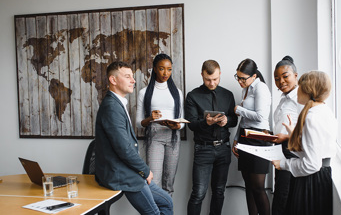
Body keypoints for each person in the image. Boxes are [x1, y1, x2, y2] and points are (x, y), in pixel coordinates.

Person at [95, 61, 173, 215]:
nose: (133, 80)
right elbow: (123, 148)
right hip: (123, 174)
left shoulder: (117, 103)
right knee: (154, 212)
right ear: (113, 80)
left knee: (167, 201)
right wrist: (145, 171)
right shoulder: (111, 107)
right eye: (127, 76)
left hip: (130, 171)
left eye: (132, 76)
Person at [271, 70, 337, 215]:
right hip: (318, 178)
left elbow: (312, 164)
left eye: (299, 87)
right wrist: (293, 134)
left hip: (311, 181)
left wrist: (284, 164)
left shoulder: (313, 117)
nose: (297, 90)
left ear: (308, 90)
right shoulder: (324, 111)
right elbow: (315, 148)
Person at [185, 60, 238, 215]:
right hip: (203, 149)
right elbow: (191, 124)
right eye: (208, 79)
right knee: (198, 193)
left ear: (219, 74)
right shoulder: (193, 96)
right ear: (202, 75)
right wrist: (206, 123)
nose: (212, 82)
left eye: (215, 79)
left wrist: (227, 120)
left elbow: (234, 120)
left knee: (219, 191)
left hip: (224, 148)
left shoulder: (228, 95)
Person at [136, 53, 184, 195]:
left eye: (169, 69)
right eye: (162, 69)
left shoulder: (178, 93)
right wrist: (150, 118)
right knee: (153, 182)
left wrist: (177, 126)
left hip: (173, 137)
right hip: (155, 136)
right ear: (155, 69)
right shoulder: (144, 93)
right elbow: (139, 123)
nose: (166, 73)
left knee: (169, 184)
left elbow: (182, 121)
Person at [232, 58, 272, 215]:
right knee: (248, 186)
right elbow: (245, 120)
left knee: (258, 188)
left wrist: (239, 110)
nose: (239, 81)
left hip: (259, 139)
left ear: (254, 76)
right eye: (238, 77)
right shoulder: (246, 89)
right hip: (245, 136)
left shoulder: (261, 88)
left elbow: (261, 117)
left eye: (243, 78)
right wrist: (236, 138)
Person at [270, 56, 303, 215]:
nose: (281, 81)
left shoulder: (300, 98)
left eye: (285, 76)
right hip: (280, 150)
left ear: (296, 76)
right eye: (277, 78)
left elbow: (308, 130)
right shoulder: (284, 98)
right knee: (280, 196)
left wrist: (286, 137)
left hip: (292, 152)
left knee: (284, 199)